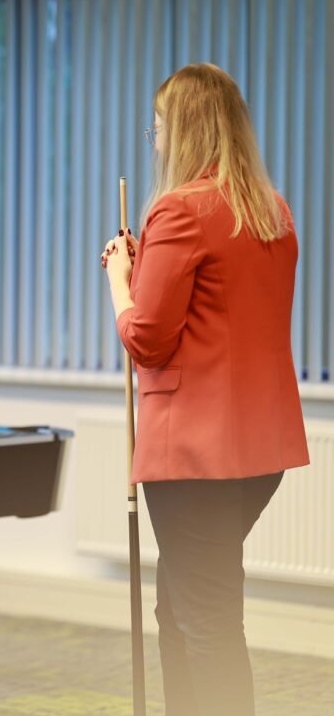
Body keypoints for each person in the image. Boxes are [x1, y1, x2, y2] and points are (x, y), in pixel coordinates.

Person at [101, 63, 309, 716]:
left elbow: (147, 339)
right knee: (184, 602)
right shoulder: (271, 209)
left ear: (184, 129)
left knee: (206, 616)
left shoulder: (177, 209)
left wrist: (120, 277)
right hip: (259, 451)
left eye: (158, 126)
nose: (154, 139)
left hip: (196, 453)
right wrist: (151, 258)